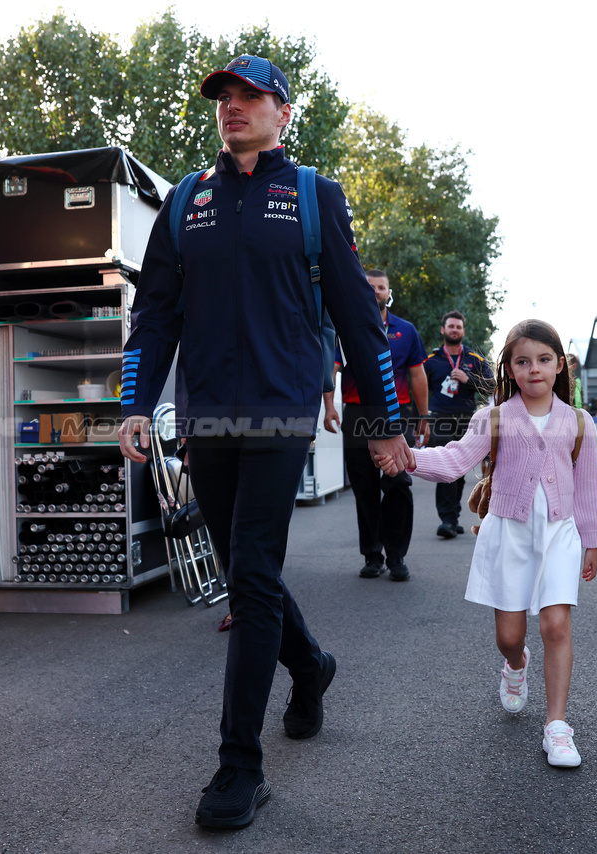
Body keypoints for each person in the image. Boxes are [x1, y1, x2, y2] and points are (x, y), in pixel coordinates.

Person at [119, 54, 411, 829]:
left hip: (281, 415)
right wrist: (136, 404)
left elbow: (359, 321)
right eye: (224, 96)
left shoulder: (315, 197)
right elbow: (155, 317)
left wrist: (382, 428)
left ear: (284, 110)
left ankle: (238, 769)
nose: (234, 107)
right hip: (206, 417)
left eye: (251, 95)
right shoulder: (186, 202)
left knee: (250, 575)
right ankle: (311, 664)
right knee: (246, 569)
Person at [376, 319, 597, 765]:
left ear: (559, 365)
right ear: (509, 369)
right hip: (509, 534)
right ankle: (515, 665)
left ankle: (556, 726)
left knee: (556, 626)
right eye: (523, 361)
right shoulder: (493, 418)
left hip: (560, 534)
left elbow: (589, 488)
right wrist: (407, 458)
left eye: (543, 360)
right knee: (509, 635)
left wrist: (591, 540)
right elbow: (454, 459)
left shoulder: (579, 422)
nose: (534, 369)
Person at [324, 270, 429, 581]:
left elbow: (418, 375)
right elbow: (331, 369)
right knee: (364, 487)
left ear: (389, 293)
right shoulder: (345, 330)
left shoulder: (406, 331)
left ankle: (396, 556)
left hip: (398, 413)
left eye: (380, 287)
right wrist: (329, 405)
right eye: (369, 287)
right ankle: (373, 555)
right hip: (356, 414)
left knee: (398, 483)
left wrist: (423, 417)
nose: (375, 292)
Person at [422, 310, 493, 538]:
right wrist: (420, 421)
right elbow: (419, 390)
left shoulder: (475, 360)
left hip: (468, 420)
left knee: (460, 470)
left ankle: (453, 515)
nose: (454, 330)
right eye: (451, 326)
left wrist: (468, 379)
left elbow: (492, 386)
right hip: (440, 419)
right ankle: (447, 519)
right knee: (445, 468)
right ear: (443, 330)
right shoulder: (430, 361)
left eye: (458, 327)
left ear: (463, 331)